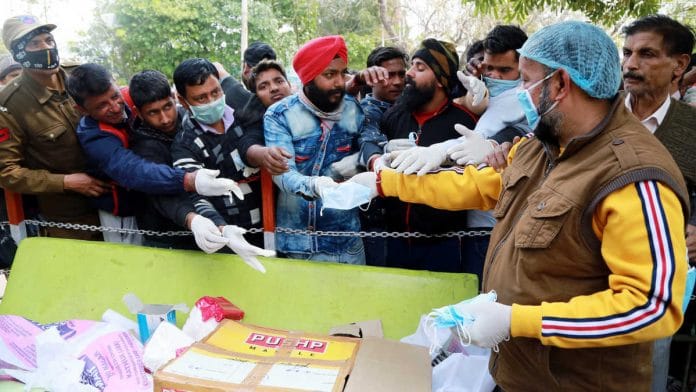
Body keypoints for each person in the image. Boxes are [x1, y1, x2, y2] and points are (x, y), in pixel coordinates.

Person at [351, 20, 689, 390]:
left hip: (580, 382)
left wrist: (517, 321)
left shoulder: (633, 176)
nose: (519, 93)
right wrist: (383, 183)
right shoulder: (545, 144)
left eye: (526, 81)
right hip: (521, 375)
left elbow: (650, 307)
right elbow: (480, 186)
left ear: (560, 84)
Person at [67, 63, 241, 244]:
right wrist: (188, 180)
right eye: (102, 105)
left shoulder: (136, 96)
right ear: (82, 110)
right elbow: (134, 171)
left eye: (114, 96)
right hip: (123, 209)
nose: (115, 107)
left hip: (171, 197)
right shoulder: (94, 138)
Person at [619, 14, 696, 391]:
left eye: (646, 54)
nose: (631, 64)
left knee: (645, 371)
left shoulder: (691, 130)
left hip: (657, 287)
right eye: (628, 52)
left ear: (680, 64)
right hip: (585, 274)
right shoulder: (597, 117)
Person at [263, 35, 376, 264]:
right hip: (299, 247)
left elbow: (367, 147)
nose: (339, 82)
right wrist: (315, 185)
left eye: (342, 73)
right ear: (308, 78)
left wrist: (374, 157)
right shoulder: (280, 115)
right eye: (329, 75)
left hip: (348, 242)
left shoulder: (352, 109)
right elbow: (283, 174)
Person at [378, 38, 481, 274]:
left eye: (420, 68)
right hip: (394, 241)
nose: (409, 74)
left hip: (445, 245)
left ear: (441, 80)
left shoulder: (464, 122)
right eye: (412, 66)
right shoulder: (394, 116)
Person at [0, 15, 105, 241]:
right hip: (73, 223)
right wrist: (66, 183)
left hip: (121, 205)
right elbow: (7, 173)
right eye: (34, 44)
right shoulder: (9, 105)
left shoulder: (81, 75)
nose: (46, 47)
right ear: (18, 53)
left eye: (48, 40)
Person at [128, 69, 234, 253]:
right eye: (153, 112)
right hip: (167, 237)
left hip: (213, 220)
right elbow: (160, 193)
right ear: (138, 112)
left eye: (167, 107)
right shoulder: (142, 148)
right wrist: (192, 219)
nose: (165, 118)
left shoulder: (193, 120)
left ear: (175, 98)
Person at [171, 58, 265, 248]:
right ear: (183, 101)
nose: (212, 101)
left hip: (272, 228)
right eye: (201, 98)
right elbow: (194, 194)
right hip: (229, 240)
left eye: (216, 92)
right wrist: (221, 228)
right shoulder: (185, 144)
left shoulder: (244, 115)